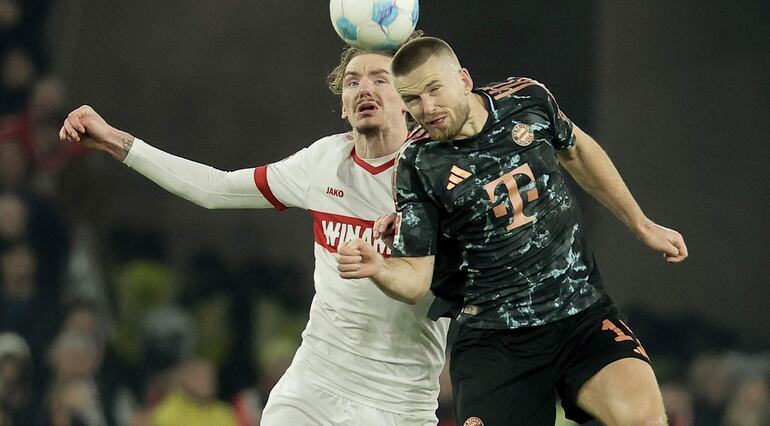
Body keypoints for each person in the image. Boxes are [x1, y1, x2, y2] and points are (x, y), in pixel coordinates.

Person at [59, 38, 450, 425]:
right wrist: (116, 142)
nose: (364, 88)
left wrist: (390, 262)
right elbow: (216, 188)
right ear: (343, 106)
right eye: (352, 81)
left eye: (380, 79)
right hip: (315, 384)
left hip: (399, 398)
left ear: (407, 98)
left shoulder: (443, 176)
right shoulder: (324, 161)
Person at [337, 36, 688, 426]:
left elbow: (575, 149)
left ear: (464, 80)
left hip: (580, 315)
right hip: (495, 342)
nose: (427, 108)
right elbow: (417, 279)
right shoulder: (418, 163)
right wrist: (380, 268)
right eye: (413, 99)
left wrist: (642, 224)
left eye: (434, 90)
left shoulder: (526, 99)